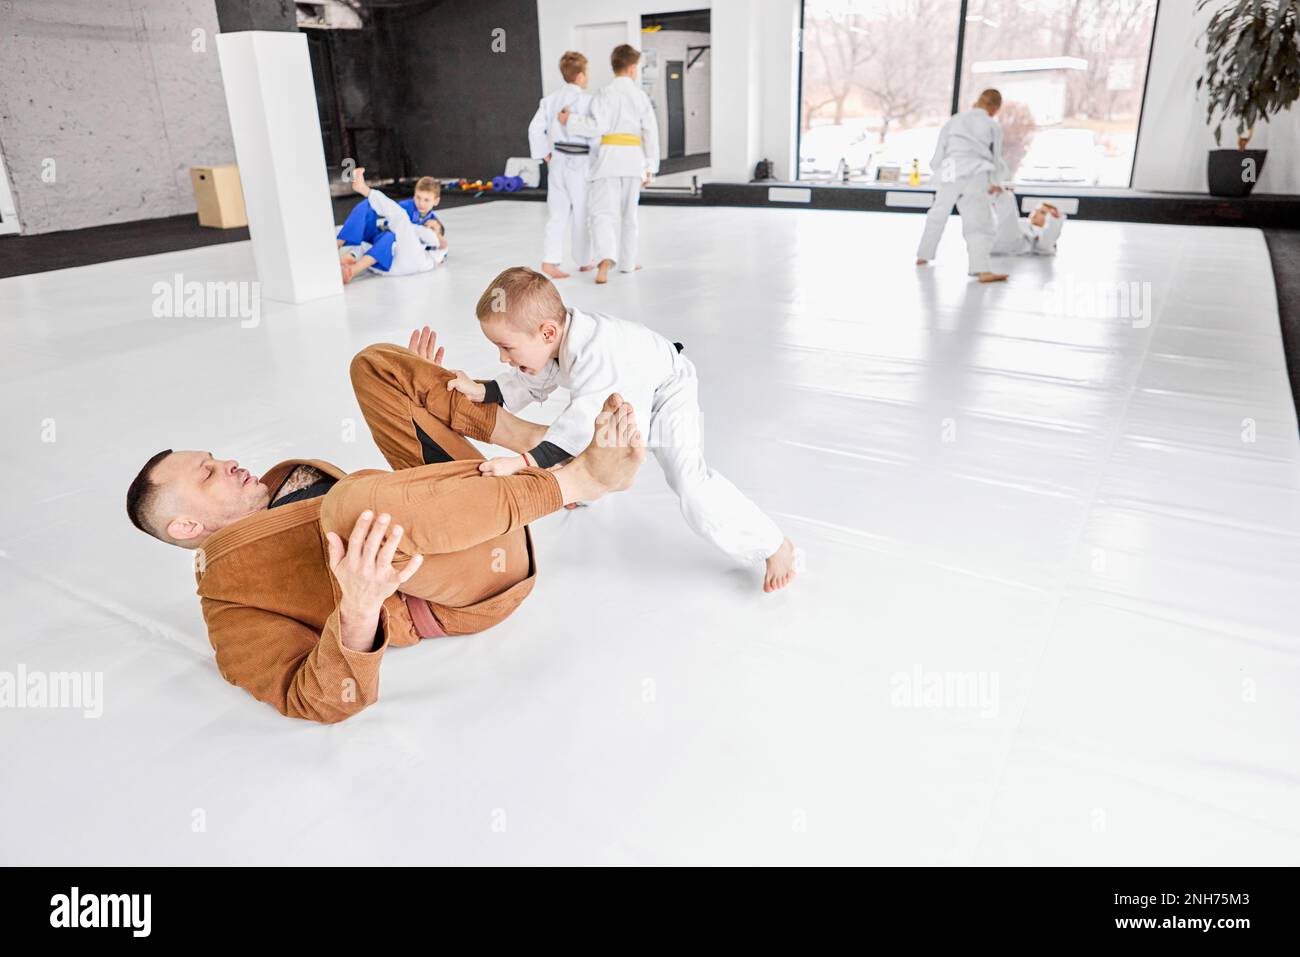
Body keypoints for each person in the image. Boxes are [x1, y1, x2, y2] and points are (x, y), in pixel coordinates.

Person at [124, 327, 644, 723]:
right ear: (186, 526)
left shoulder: (283, 482)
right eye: (208, 473)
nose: (229, 462)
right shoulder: (229, 605)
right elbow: (313, 697)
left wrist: (429, 401)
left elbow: (412, 499)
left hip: (476, 501)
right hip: (464, 583)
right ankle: (575, 481)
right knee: (350, 506)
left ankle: (536, 444)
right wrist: (358, 608)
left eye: (215, 456)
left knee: (374, 366)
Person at [446, 267, 800, 593]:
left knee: (689, 483)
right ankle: (585, 487)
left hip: (668, 390)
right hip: (631, 389)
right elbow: (531, 380)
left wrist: (524, 461)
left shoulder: (596, 354)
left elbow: (581, 423)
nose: (503, 358)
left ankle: (772, 544)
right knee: (594, 441)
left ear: (548, 332)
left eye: (507, 347)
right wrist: (484, 390)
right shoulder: (556, 339)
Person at [555, 43, 659, 285]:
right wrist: (650, 167)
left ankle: (604, 260)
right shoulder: (640, 96)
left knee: (603, 213)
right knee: (629, 216)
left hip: (609, 160)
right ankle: (627, 262)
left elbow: (596, 127)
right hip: (633, 160)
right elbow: (650, 133)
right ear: (633, 69)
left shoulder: (604, 93)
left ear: (614, 66)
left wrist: (570, 120)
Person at [914, 89, 1009, 283]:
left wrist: (938, 169)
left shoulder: (956, 120)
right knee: (978, 221)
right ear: (995, 107)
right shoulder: (992, 125)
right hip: (976, 171)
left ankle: (923, 255)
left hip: (950, 169)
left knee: (938, 213)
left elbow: (941, 149)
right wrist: (996, 181)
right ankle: (981, 269)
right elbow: (996, 157)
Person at [528, 50, 597, 280]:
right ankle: (585, 260)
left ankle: (550, 261)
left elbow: (535, 129)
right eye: (586, 73)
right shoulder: (588, 101)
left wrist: (543, 153)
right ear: (579, 76)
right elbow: (596, 131)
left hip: (556, 161)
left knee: (556, 212)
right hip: (581, 162)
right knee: (581, 213)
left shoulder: (550, 100)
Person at [339, 169, 447, 283]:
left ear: (436, 201)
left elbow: (441, 246)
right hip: (385, 248)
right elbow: (389, 220)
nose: (421, 203)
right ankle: (343, 254)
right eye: (418, 198)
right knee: (368, 208)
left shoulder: (433, 228)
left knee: (396, 223)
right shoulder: (406, 207)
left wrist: (436, 236)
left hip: (403, 254)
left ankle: (364, 189)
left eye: (426, 200)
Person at [990, 192, 1066, 256]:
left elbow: (1046, 242)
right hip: (992, 240)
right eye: (1035, 210)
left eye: (1043, 213)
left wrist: (1054, 221)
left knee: (1008, 198)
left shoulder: (1040, 232)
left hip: (1015, 242)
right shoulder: (1023, 222)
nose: (1036, 213)